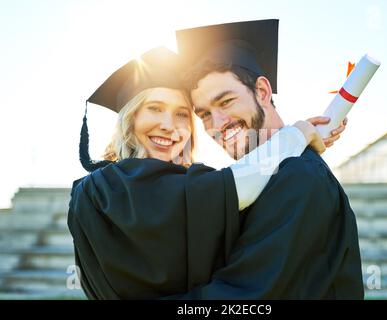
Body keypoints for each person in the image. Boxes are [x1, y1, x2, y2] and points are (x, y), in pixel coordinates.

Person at [67, 47, 341, 299]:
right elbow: (230, 187)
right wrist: (297, 134)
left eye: (183, 114)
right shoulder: (106, 188)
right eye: (154, 108)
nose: (168, 125)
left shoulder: (184, 185)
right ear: (130, 117)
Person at [161, 19, 364, 299]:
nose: (216, 123)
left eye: (226, 101)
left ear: (263, 91)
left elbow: (244, 297)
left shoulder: (297, 175)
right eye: (204, 114)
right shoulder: (260, 178)